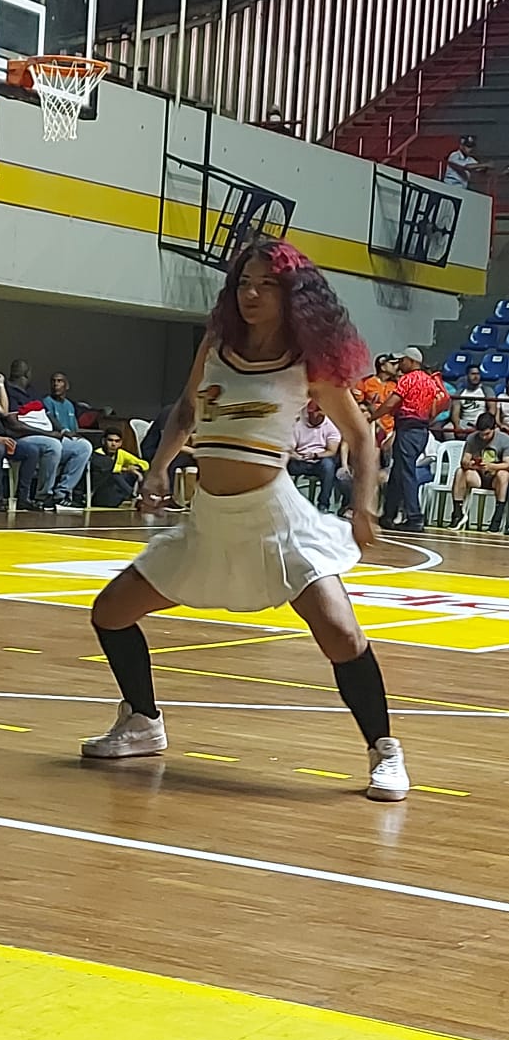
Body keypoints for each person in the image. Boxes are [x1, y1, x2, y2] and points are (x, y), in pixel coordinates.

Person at [85, 239, 409, 803]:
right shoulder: (217, 343)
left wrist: (364, 506)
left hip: (276, 521)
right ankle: (142, 721)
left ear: (294, 295)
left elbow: (361, 438)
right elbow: (187, 410)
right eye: (244, 283)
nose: (251, 294)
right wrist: (158, 468)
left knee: (341, 634)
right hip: (210, 522)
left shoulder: (307, 361)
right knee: (110, 613)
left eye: (267, 284)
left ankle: (384, 750)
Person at [4, 360, 92, 510]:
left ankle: (61, 493)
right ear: (28, 373)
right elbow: (14, 425)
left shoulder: (32, 391)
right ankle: (44, 496)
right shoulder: (8, 391)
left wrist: (63, 431)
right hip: (24, 437)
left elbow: (48, 415)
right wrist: (48, 433)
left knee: (83, 447)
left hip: (46, 435)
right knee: (53, 445)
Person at [371, 348, 439, 533]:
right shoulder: (430, 382)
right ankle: (388, 514)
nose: (400, 364)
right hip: (421, 430)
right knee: (398, 472)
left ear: (412, 361)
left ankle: (415, 517)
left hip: (407, 430)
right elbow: (434, 410)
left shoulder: (407, 379)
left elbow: (391, 402)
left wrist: (373, 416)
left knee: (406, 473)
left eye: (403, 360)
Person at [0, 372, 40, 511]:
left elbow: (4, 411)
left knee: (31, 451)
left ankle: (23, 498)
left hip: (2, 439)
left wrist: (0, 385)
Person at [450, 412, 509, 533]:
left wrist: (491, 466)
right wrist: (470, 464)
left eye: (487, 434)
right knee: (460, 472)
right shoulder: (472, 438)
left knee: (504, 474)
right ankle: (457, 513)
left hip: (495, 477)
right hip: (477, 475)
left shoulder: (504, 439)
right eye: (481, 434)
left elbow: (507, 464)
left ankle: (497, 518)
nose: (484, 437)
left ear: (494, 429)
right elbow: (464, 460)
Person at [287, 400, 340, 513]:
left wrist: (316, 455)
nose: (315, 415)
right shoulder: (298, 424)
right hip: (300, 460)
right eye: (312, 412)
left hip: (319, 460)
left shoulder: (331, 426)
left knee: (328, 465)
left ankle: (323, 504)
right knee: (284, 463)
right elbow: (289, 448)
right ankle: (290, 503)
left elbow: (332, 451)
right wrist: (296, 456)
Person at [91, 427, 149, 508]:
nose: (113, 444)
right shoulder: (98, 454)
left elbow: (145, 464)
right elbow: (110, 469)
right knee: (114, 474)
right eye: (110, 440)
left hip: (115, 490)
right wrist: (125, 469)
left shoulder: (121, 453)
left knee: (130, 474)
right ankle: (133, 495)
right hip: (99, 490)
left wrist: (136, 468)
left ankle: (135, 495)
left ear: (120, 443)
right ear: (103, 441)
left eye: (117, 441)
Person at [450, 366, 496, 437]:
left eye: (478, 374)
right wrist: (457, 426)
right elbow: (455, 413)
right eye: (473, 374)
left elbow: (492, 410)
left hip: (482, 424)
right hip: (464, 423)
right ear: (467, 376)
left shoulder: (487, 391)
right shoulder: (460, 393)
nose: (476, 377)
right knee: (448, 429)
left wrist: (483, 425)